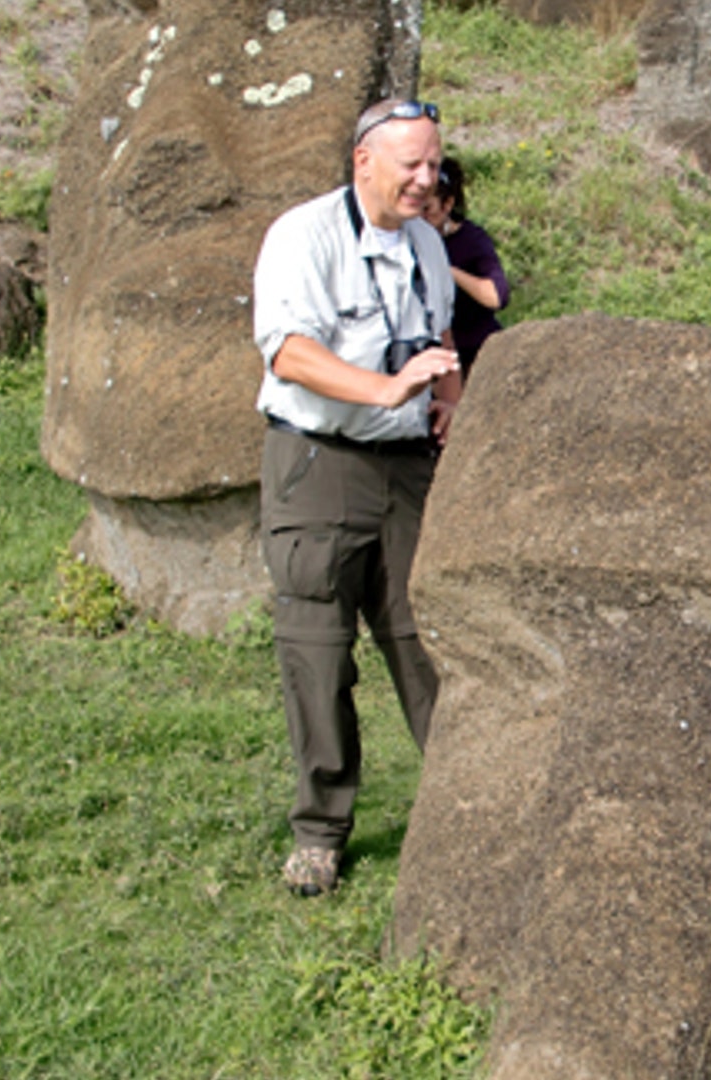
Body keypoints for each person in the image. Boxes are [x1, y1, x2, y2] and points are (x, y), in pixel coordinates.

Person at [251, 98, 463, 897]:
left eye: (433, 163)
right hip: (320, 462)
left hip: (407, 467)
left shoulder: (427, 244)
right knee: (317, 651)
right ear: (363, 161)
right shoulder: (302, 236)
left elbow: (440, 342)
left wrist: (449, 398)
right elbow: (290, 353)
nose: (427, 179)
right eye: (411, 164)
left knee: (429, 642)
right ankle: (320, 831)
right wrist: (384, 388)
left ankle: (466, 814)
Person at [421, 157, 509, 371]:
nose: (420, 218)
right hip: (432, 354)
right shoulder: (409, 236)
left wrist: (447, 270)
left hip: (476, 352)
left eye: (427, 210)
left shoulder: (471, 240)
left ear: (447, 205)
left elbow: (496, 296)